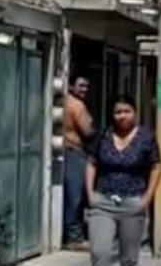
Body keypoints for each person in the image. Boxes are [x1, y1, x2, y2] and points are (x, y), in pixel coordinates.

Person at [86, 95, 161, 266]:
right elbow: (91, 163)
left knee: (128, 259)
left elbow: (156, 166)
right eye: (118, 112)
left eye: (127, 111)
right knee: (100, 254)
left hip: (133, 203)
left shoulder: (146, 138)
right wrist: (90, 193)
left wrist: (147, 198)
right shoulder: (103, 135)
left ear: (134, 113)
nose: (122, 116)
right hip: (103, 202)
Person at [63, 76, 95, 251]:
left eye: (86, 86)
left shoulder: (64, 101)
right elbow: (87, 131)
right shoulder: (77, 106)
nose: (84, 89)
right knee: (75, 197)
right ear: (71, 85)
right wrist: (92, 126)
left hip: (65, 151)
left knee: (69, 196)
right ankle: (74, 237)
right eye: (81, 85)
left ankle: (70, 233)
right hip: (74, 152)